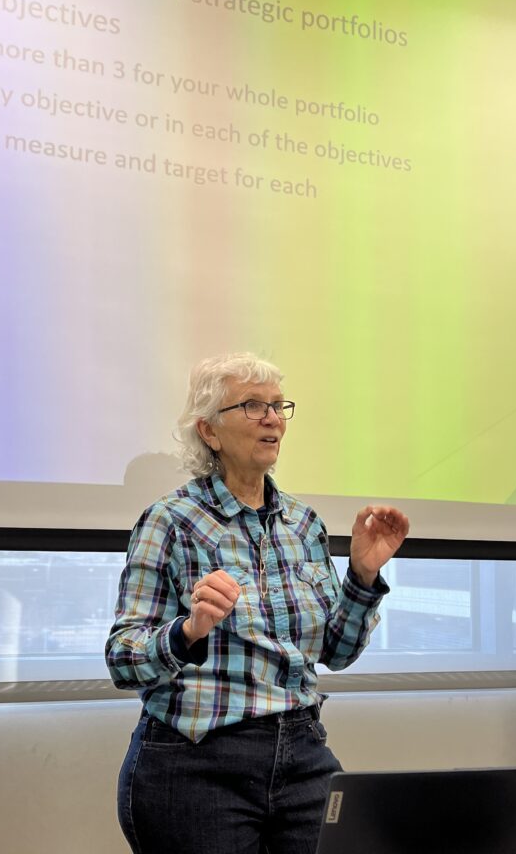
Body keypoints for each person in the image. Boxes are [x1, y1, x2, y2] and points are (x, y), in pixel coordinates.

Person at [105, 353, 409, 854]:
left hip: (302, 752)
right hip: (197, 763)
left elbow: (337, 651)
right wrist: (188, 631)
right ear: (209, 431)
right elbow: (123, 659)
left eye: (277, 406)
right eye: (251, 406)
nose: (272, 418)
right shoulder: (170, 521)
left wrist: (362, 576)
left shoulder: (302, 523)